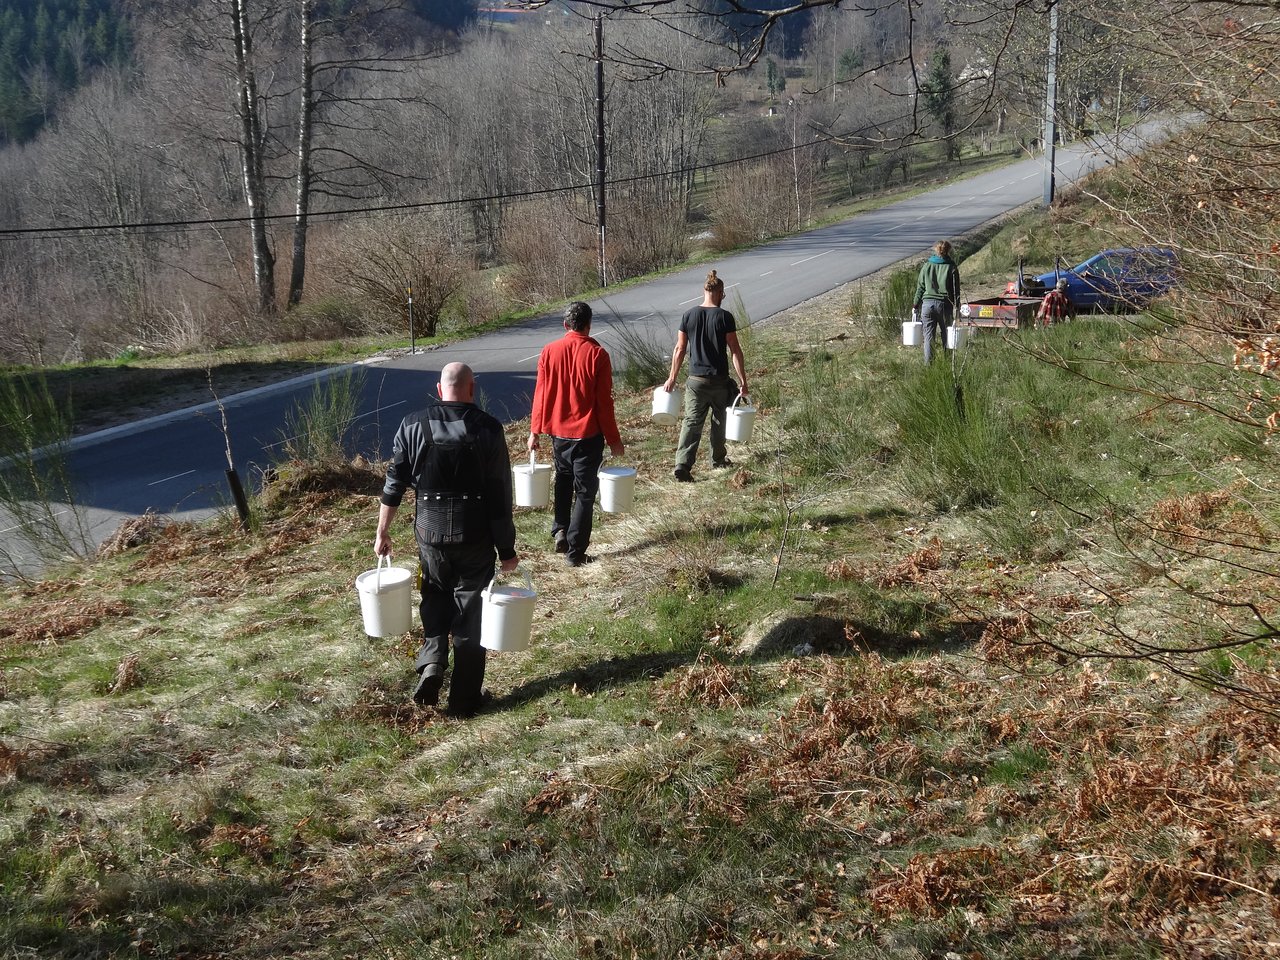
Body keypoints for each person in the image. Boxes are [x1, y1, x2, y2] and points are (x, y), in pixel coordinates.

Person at [375, 361, 519, 717]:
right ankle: (463, 701)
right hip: (475, 534)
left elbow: (394, 484)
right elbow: (500, 495)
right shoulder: (488, 428)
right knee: (471, 613)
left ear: (440, 391)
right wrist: (507, 550)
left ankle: (433, 661)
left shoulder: (411, 424)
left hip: (429, 533)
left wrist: (383, 531)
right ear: (472, 389)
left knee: (435, 595)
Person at [527, 301, 625, 568]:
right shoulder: (598, 355)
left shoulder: (549, 351)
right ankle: (575, 551)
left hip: (558, 433)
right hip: (587, 435)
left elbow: (541, 394)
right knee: (584, 492)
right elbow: (604, 403)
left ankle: (560, 529)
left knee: (563, 480)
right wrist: (614, 439)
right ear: (589, 324)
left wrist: (535, 431)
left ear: (565, 325)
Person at [662, 269, 749, 482]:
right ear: (719, 292)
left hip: (695, 382)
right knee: (720, 420)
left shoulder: (688, 315)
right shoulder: (724, 317)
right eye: (723, 295)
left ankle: (682, 464)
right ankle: (718, 460)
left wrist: (672, 377)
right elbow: (735, 350)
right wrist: (743, 381)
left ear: (704, 290)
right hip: (719, 380)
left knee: (692, 422)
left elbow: (679, 349)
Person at [913, 240, 961, 362]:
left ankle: (929, 365)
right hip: (945, 305)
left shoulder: (927, 266)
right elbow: (956, 290)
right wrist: (957, 306)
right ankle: (948, 364)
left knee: (929, 337)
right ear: (948, 250)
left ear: (935, 250)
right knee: (947, 336)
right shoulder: (952, 267)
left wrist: (915, 304)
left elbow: (920, 287)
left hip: (927, 305)